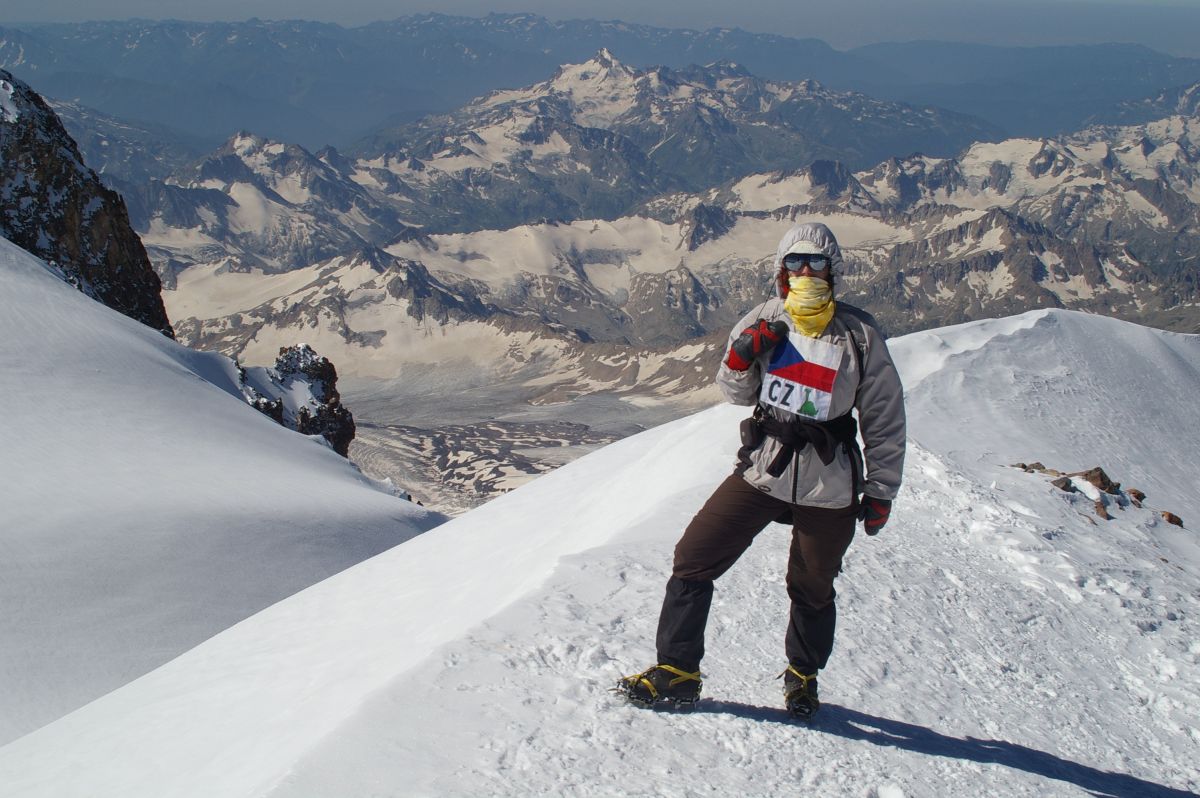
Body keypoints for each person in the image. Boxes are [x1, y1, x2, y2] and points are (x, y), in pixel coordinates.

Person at [616, 222, 906, 720]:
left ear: (834, 270)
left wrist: (881, 491)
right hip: (764, 469)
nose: (806, 273)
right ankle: (677, 671)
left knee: (813, 585)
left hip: (828, 481)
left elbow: (884, 417)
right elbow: (736, 392)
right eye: (795, 263)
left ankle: (802, 676)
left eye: (816, 263)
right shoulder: (764, 320)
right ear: (780, 270)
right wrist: (740, 356)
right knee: (694, 557)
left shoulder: (859, 336)